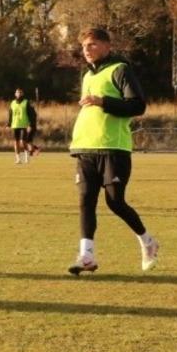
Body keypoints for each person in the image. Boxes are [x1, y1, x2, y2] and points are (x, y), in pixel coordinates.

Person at [67, 27, 157, 276]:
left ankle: (148, 241)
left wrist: (103, 101)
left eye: (92, 44)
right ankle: (86, 255)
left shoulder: (120, 69)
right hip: (85, 146)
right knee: (86, 200)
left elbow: (137, 105)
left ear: (107, 46)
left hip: (113, 147)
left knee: (115, 202)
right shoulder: (87, 75)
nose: (87, 50)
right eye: (84, 46)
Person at [8, 88, 40, 164]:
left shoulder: (26, 102)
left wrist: (30, 124)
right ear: (15, 94)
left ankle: (27, 156)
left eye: (20, 92)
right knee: (16, 142)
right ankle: (18, 159)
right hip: (15, 125)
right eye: (17, 92)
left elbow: (32, 114)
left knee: (23, 141)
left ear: (22, 94)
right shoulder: (12, 103)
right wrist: (9, 123)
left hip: (24, 125)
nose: (18, 94)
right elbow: (10, 114)